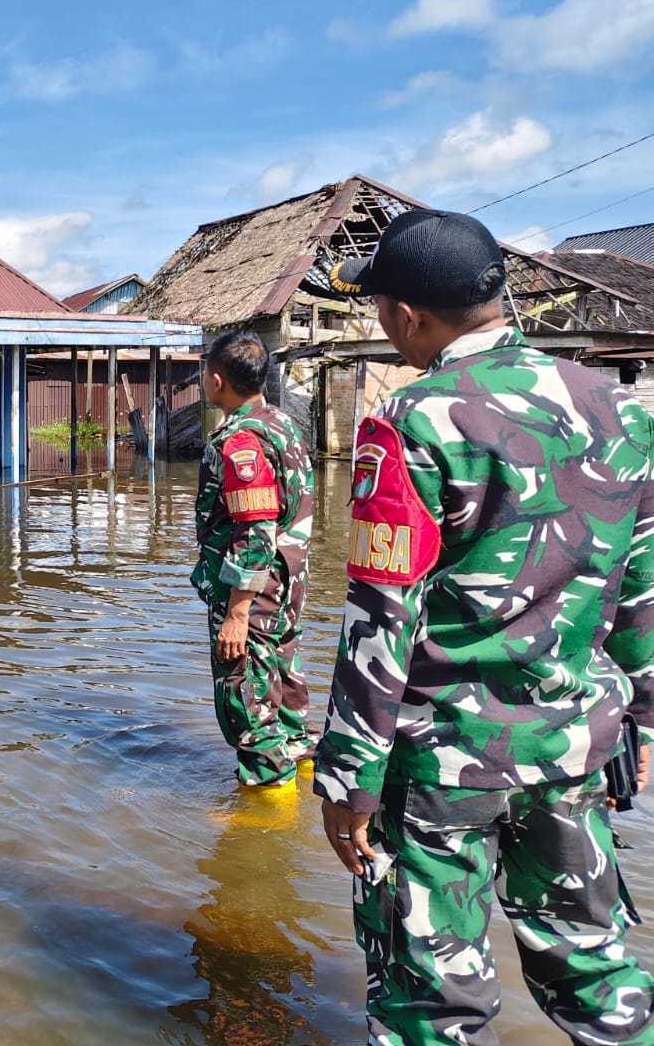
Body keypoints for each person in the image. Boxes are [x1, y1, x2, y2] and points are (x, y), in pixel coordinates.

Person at [315, 209, 654, 1045]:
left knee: (433, 1000)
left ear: (404, 316)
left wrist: (347, 779)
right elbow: (641, 582)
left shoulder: (413, 422)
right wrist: (640, 715)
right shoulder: (620, 408)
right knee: (596, 967)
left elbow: (380, 618)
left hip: (444, 762)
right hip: (579, 738)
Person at [192, 328, 318, 791]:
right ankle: (301, 771)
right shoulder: (282, 424)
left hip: (255, 592)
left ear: (217, 380)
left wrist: (237, 613)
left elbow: (255, 529)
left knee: (245, 695)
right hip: (287, 583)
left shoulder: (242, 441)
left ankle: (265, 817)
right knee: (282, 684)